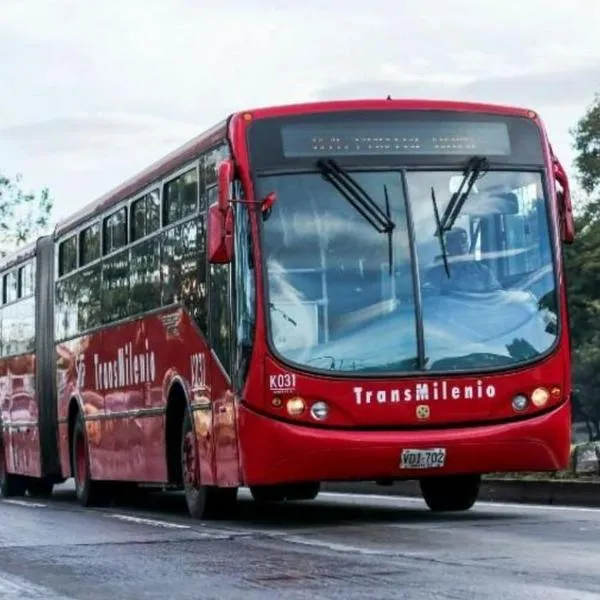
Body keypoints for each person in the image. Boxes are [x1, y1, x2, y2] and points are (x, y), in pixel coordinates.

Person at [424, 226, 502, 293]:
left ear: (468, 244)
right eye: (454, 241)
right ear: (447, 246)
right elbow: (431, 296)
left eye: (463, 241)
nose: (460, 245)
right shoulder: (437, 272)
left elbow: (497, 293)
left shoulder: (483, 271)